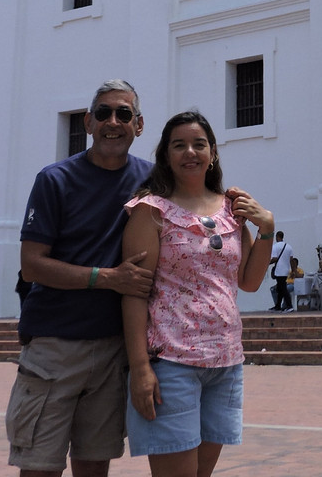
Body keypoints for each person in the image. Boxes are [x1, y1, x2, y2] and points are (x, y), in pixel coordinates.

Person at [6, 79, 155, 477]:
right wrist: (108, 278)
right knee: (39, 467)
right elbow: (32, 265)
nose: (113, 121)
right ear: (88, 122)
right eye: (103, 113)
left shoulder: (154, 183)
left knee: (94, 467)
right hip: (55, 347)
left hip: (112, 349)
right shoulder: (54, 179)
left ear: (138, 125)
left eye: (124, 114)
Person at [122, 110, 275, 477]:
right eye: (179, 145)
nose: (190, 152)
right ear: (165, 155)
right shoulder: (151, 211)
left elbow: (249, 281)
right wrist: (140, 368)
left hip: (224, 363)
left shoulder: (231, 210)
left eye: (199, 144)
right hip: (171, 363)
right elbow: (134, 292)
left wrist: (266, 227)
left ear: (213, 153)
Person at [269, 230, 295, 312]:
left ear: (277, 237)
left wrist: (267, 263)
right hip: (286, 270)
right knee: (280, 288)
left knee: (283, 288)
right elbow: (291, 260)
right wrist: (293, 270)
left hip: (279, 270)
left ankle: (289, 306)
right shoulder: (289, 247)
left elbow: (275, 258)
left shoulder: (275, 246)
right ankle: (277, 306)